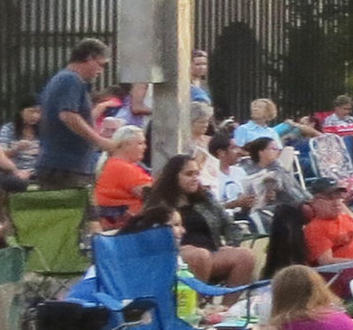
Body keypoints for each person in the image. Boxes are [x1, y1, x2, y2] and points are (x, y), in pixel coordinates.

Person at [124, 153, 259, 290]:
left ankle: (225, 308)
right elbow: (149, 234)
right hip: (177, 255)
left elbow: (229, 224)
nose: (195, 178)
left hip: (210, 251)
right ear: (174, 177)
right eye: (189, 174)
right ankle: (195, 307)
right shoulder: (159, 203)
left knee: (245, 256)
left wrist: (231, 244)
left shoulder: (206, 199)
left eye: (197, 174)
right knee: (199, 256)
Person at [31, 38, 112, 194]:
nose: (101, 70)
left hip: (65, 165)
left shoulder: (65, 80)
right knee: (69, 215)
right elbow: (68, 115)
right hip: (65, 166)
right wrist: (99, 140)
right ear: (89, 57)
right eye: (101, 64)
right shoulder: (70, 79)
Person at [300, 180, 353, 269]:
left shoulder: (346, 218)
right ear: (314, 201)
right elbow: (326, 261)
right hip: (349, 274)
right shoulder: (314, 228)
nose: (336, 202)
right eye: (330, 198)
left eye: (338, 197)